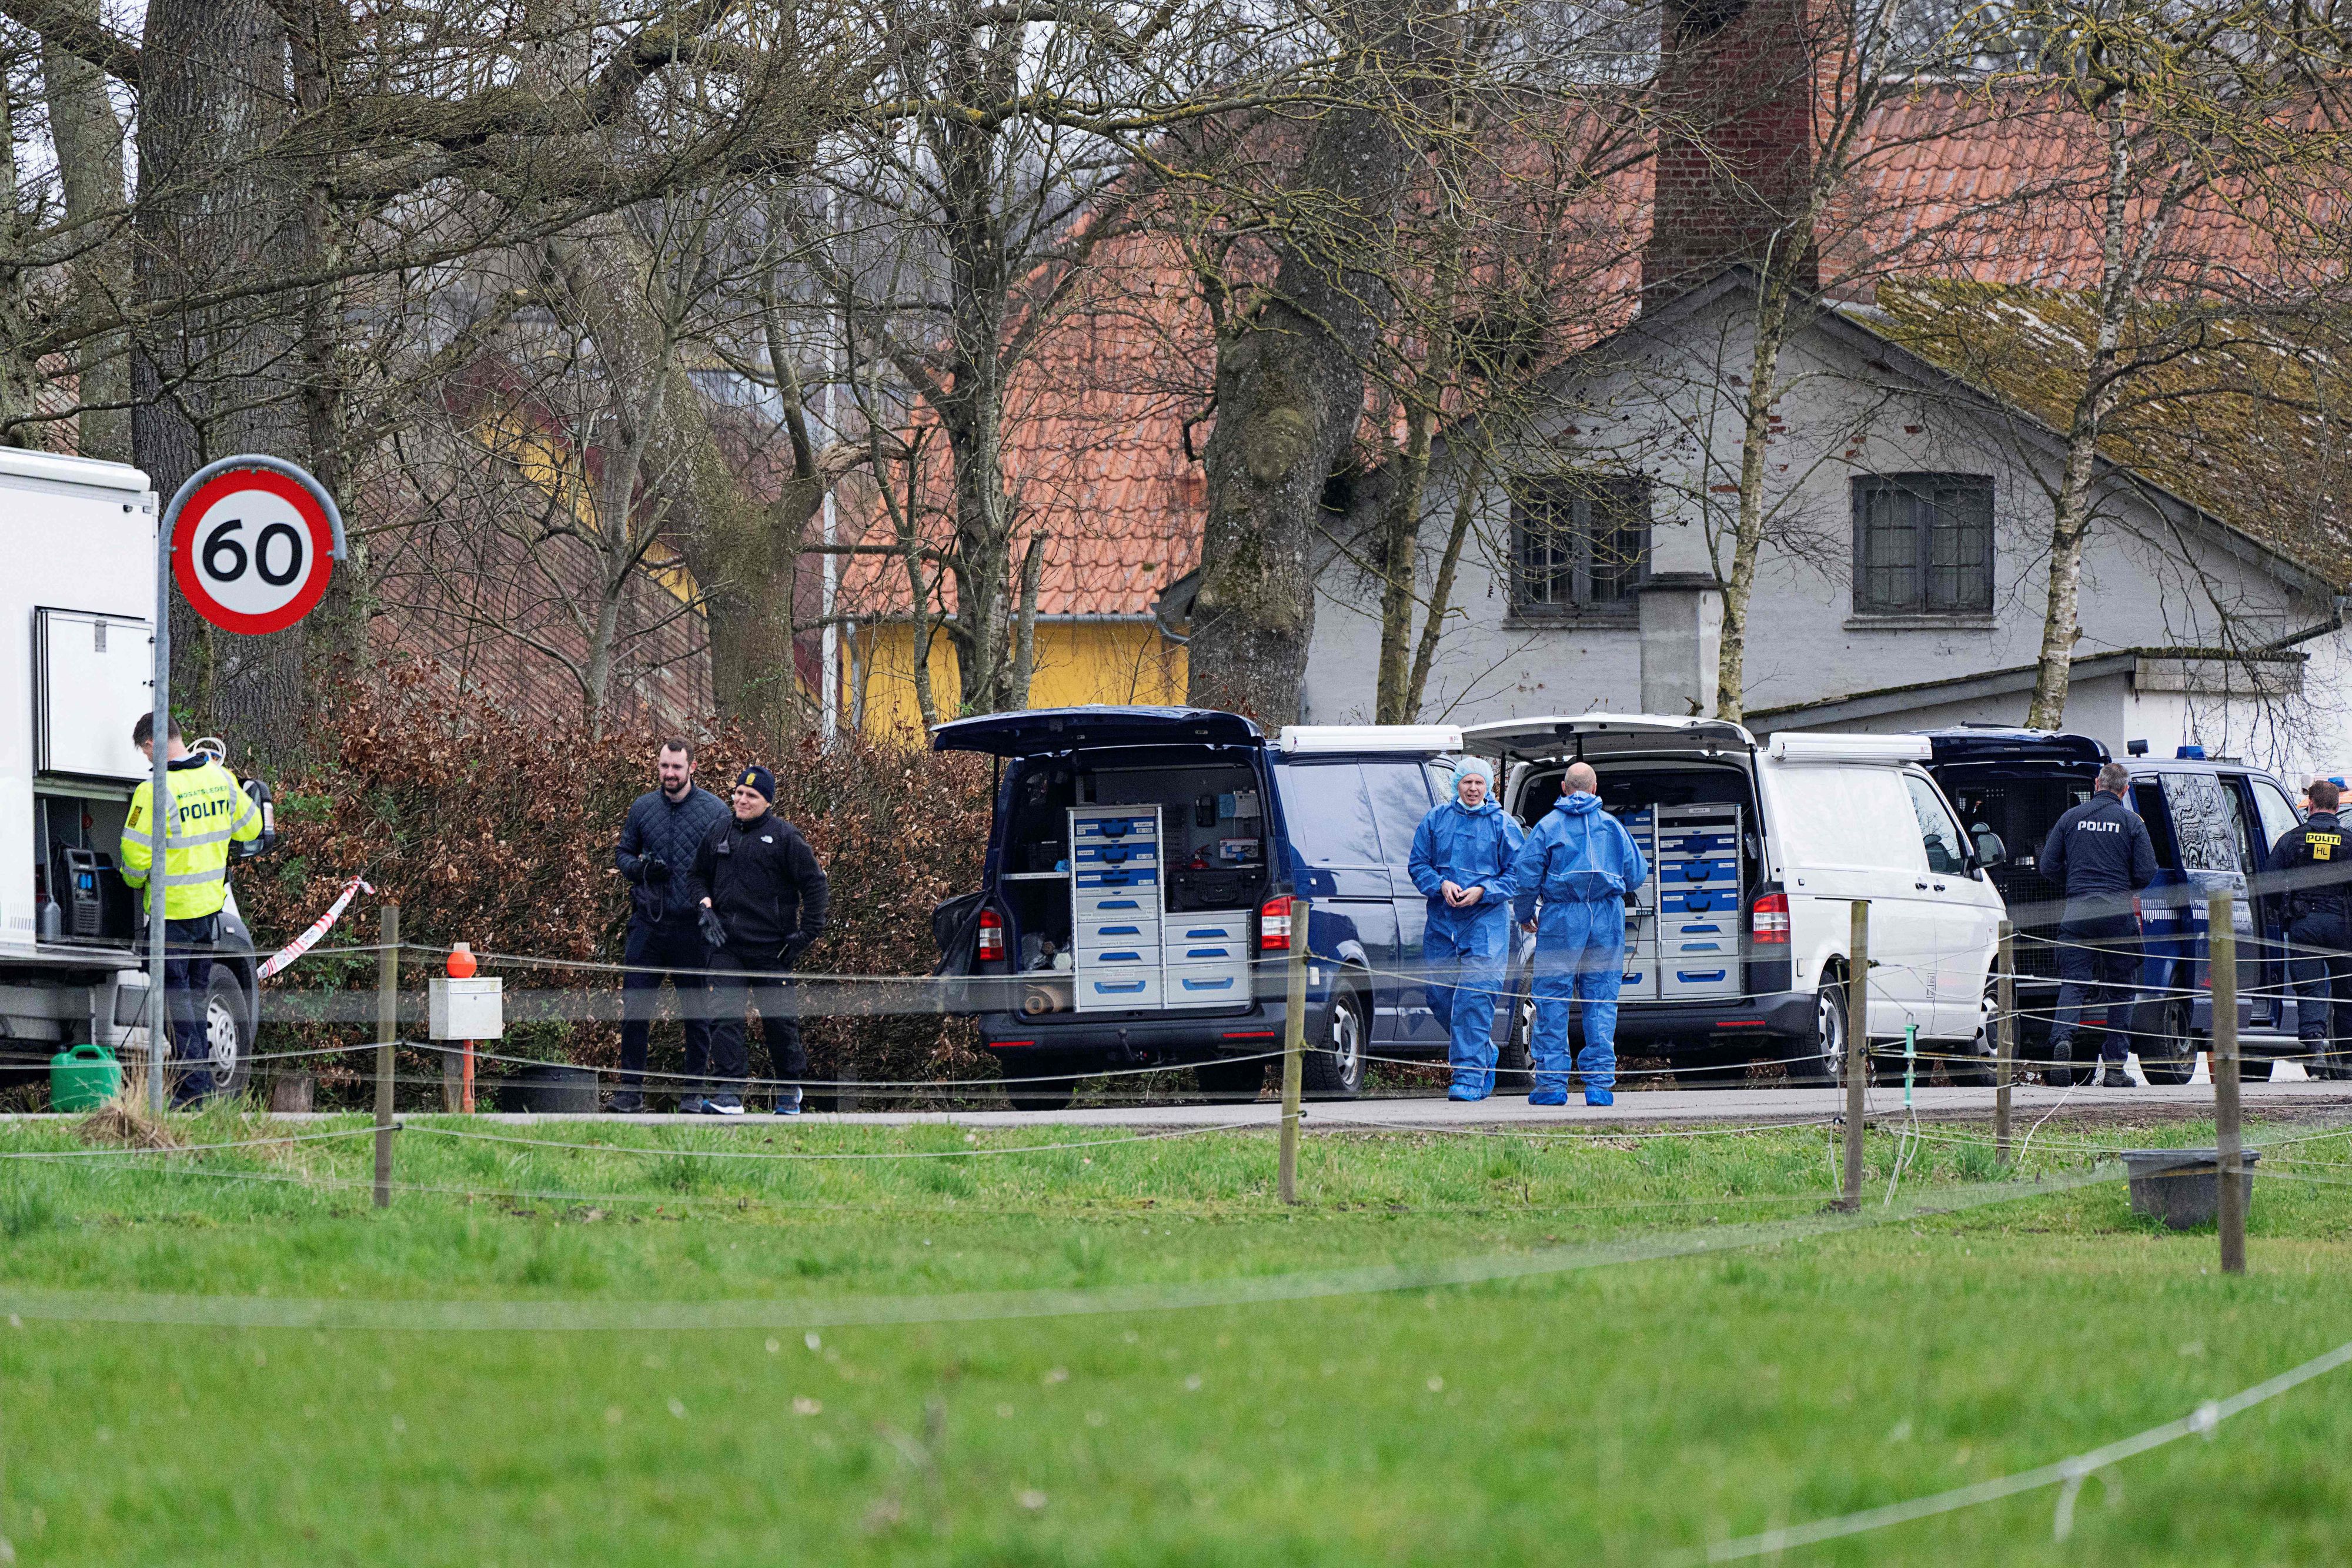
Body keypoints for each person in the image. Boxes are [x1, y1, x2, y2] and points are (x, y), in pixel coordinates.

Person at [118, 711, 262, 1107]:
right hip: (209, 916)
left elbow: (135, 859)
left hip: (172, 918)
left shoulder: (153, 791)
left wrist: (132, 880)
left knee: (177, 1009)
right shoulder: (221, 778)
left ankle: (192, 1093)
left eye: (146, 753)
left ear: (151, 745)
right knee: (195, 1004)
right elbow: (252, 828)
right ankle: (198, 1093)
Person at [693, 764, 829, 1115]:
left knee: (780, 1023)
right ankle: (728, 1092)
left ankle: (789, 1090)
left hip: (773, 948)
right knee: (724, 1018)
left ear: (767, 801)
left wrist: (806, 934)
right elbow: (696, 876)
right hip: (725, 945)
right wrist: (704, 906)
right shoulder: (719, 830)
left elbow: (815, 885)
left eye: (751, 795)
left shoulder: (785, 837)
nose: (742, 799)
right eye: (739, 792)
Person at [1510, 762, 1648, 1108]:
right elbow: (1635, 874)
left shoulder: (1548, 827)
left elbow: (1526, 877)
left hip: (1562, 918)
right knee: (1600, 999)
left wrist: (1524, 914)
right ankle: (1599, 1086)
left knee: (1551, 999)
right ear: (1595, 788)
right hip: (1606, 917)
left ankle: (1551, 1085)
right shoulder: (1612, 827)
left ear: (1564, 787)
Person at [613, 738, 729, 1114]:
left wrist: (712, 906)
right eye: (664, 766)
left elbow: (726, 866)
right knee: (635, 1010)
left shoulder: (715, 811)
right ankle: (630, 1092)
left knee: (697, 1014)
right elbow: (623, 853)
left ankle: (693, 1094)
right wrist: (642, 870)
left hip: (692, 929)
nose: (669, 773)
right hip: (648, 923)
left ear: (692, 767)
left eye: (677, 767)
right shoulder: (643, 807)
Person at [1408, 757, 1525, 1102]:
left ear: (1489, 787)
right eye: (1467, 782)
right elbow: (1418, 864)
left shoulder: (1503, 825)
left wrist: (1484, 891)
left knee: (1474, 997)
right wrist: (1440, 884)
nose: (1473, 789)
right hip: (1442, 923)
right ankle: (1483, 1050)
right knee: (1440, 995)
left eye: (1479, 783)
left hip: (1486, 924)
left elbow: (1518, 873)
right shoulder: (1436, 820)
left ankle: (1469, 1077)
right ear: (1456, 785)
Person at [2040, 761, 2157, 1089]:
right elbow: (2147, 871)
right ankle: (2116, 1069)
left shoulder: (2070, 818)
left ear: (2096, 784)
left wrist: (2075, 885)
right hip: (2118, 914)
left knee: (2074, 983)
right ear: (2125, 790)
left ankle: (2063, 1041)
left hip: (2078, 913)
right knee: (2121, 989)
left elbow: (2048, 865)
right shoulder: (2131, 822)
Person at [2267, 777, 2352, 1080]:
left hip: (2304, 924)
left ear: (2311, 805)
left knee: (2310, 989)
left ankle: (2316, 1054)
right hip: (2344, 927)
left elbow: (2268, 884)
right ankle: (2347, 1062)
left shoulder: (2291, 840)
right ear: (2338, 807)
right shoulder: (2350, 841)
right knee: (2346, 992)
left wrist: (2283, 913)